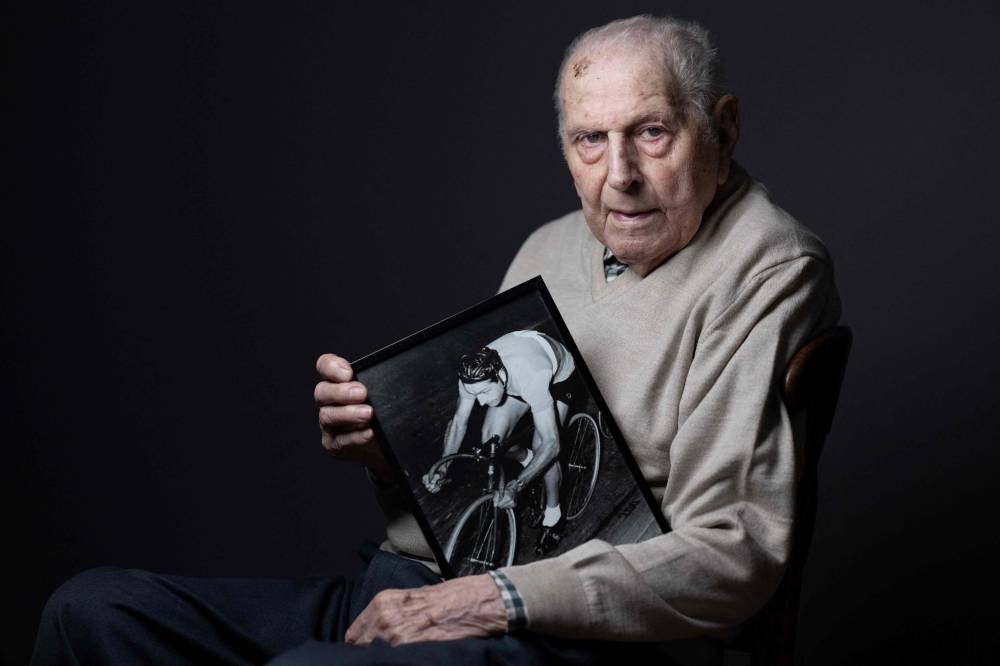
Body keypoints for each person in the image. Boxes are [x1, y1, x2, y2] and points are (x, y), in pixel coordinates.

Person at [33, 14, 841, 665]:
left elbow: (734, 551)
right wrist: (394, 454)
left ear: (724, 129)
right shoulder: (550, 246)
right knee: (93, 612)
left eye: (653, 132)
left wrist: (491, 600)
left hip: (568, 632)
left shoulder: (768, 267)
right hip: (418, 581)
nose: (618, 174)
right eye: (589, 140)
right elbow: (484, 452)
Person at [422, 331, 579, 554]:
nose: (481, 402)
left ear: (500, 377)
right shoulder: (472, 377)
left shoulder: (532, 374)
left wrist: (516, 485)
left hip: (556, 376)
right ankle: (528, 459)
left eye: (485, 392)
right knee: (491, 441)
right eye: (475, 394)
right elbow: (458, 422)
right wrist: (443, 467)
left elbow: (552, 444)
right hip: (518, 374)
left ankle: (554, 516)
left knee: (543, 447)